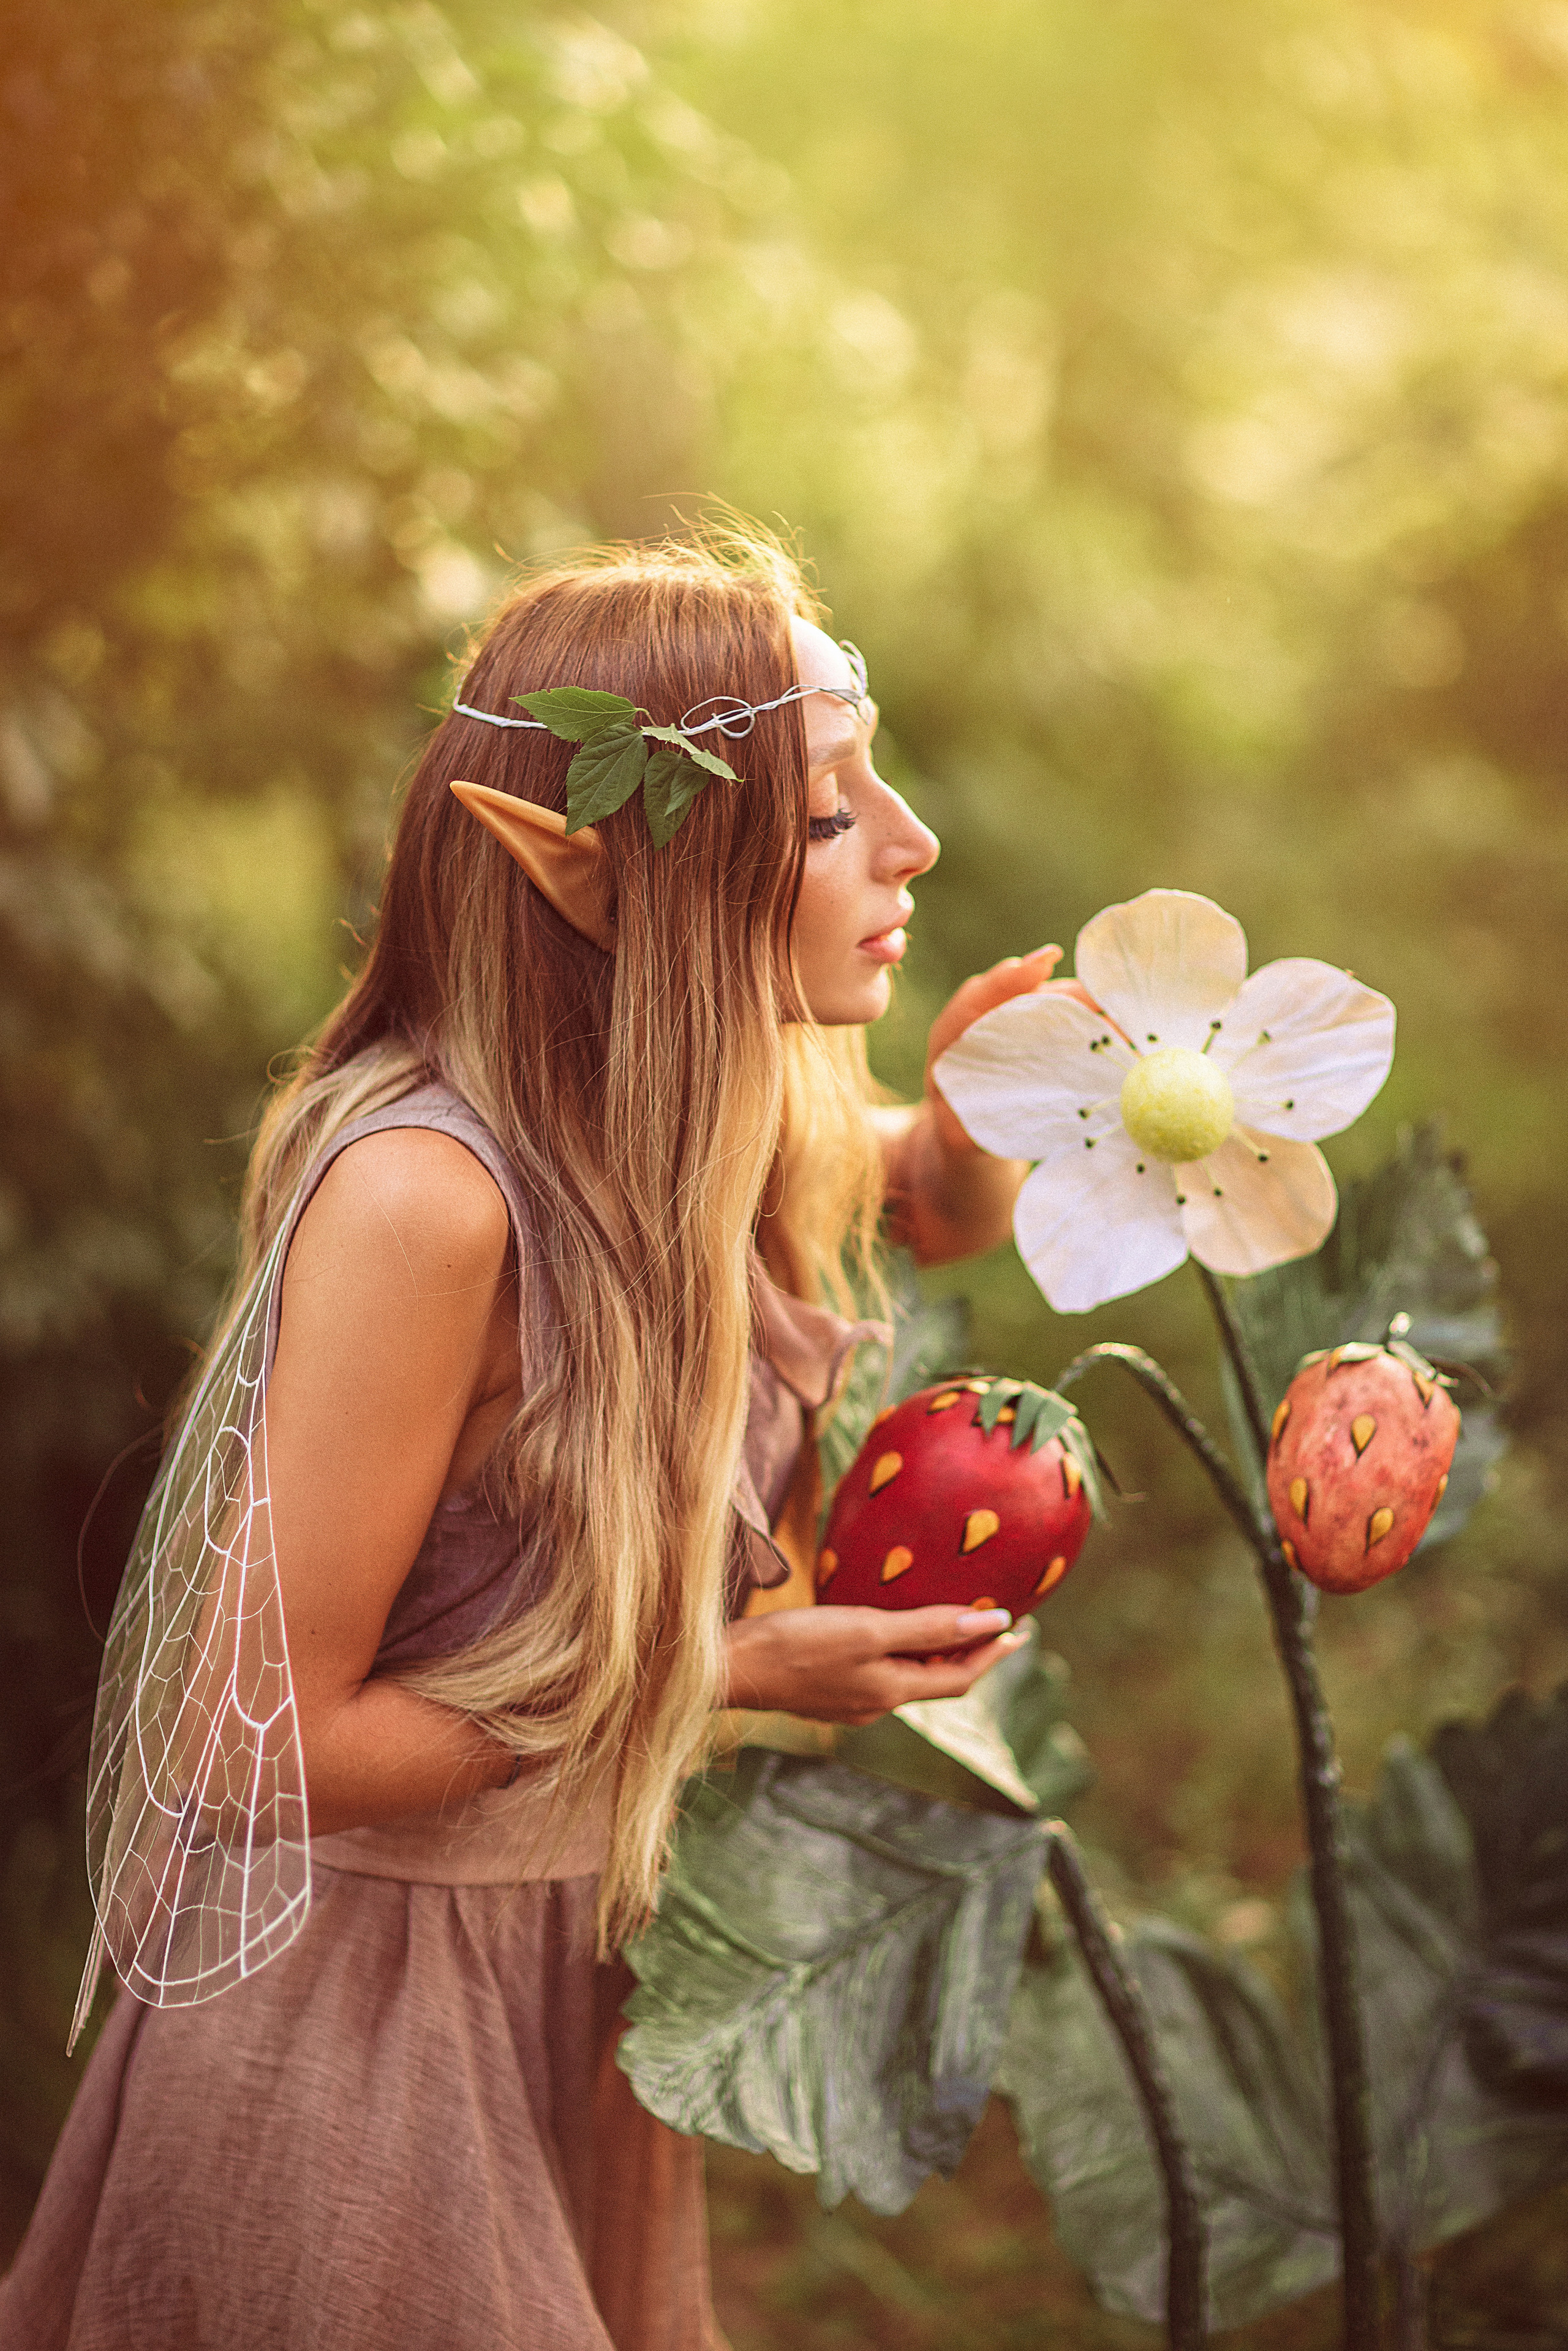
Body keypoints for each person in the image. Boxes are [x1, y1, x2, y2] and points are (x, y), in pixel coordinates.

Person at [1, 529, 1071, 2351]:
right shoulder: (432, 1200)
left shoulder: (695, 1103)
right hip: (360, 2021)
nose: (915, 842)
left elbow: (904, 1197)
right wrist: (722, 1665)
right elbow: (248, 1742)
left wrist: (969, 1132)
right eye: (826, 817)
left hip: (565, 1980)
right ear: (591, 878)